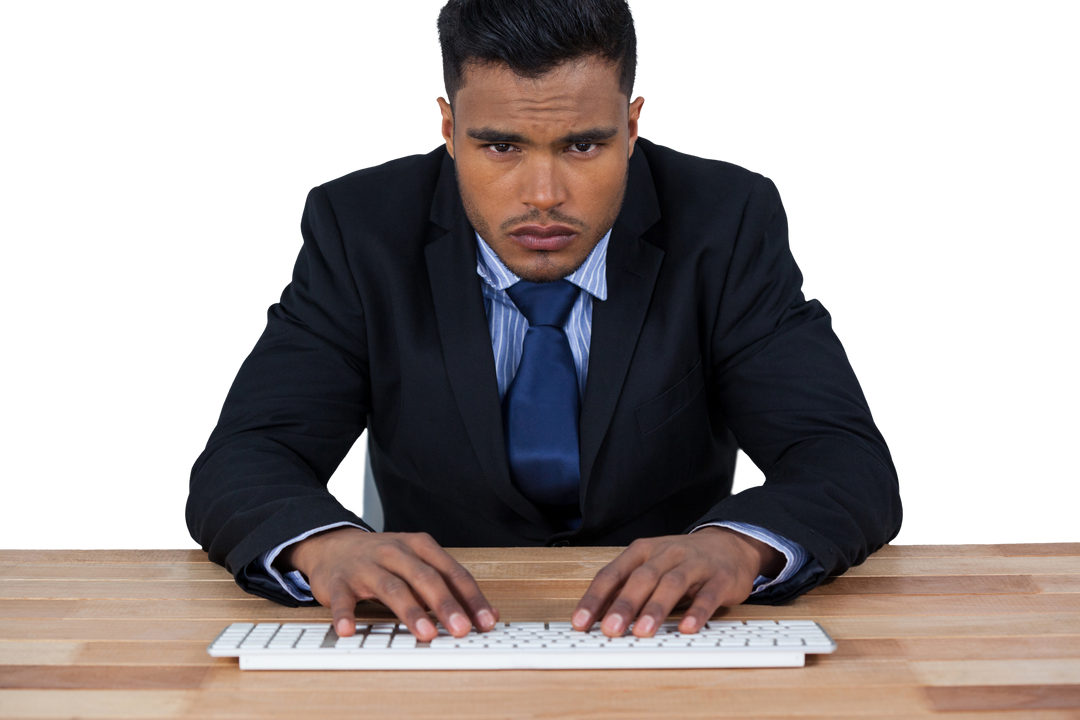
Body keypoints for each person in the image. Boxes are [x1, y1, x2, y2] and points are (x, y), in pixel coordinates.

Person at [184, 0, 905, 645]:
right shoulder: (358, 226)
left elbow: (842, 457)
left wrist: (737, 546)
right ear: (447, 127)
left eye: (582, 145)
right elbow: (247, 454)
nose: (543, 196)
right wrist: (328, 545)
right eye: (501, 146)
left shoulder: (729, 217)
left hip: (675, 635)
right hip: (430, 638)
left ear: (632, 125)